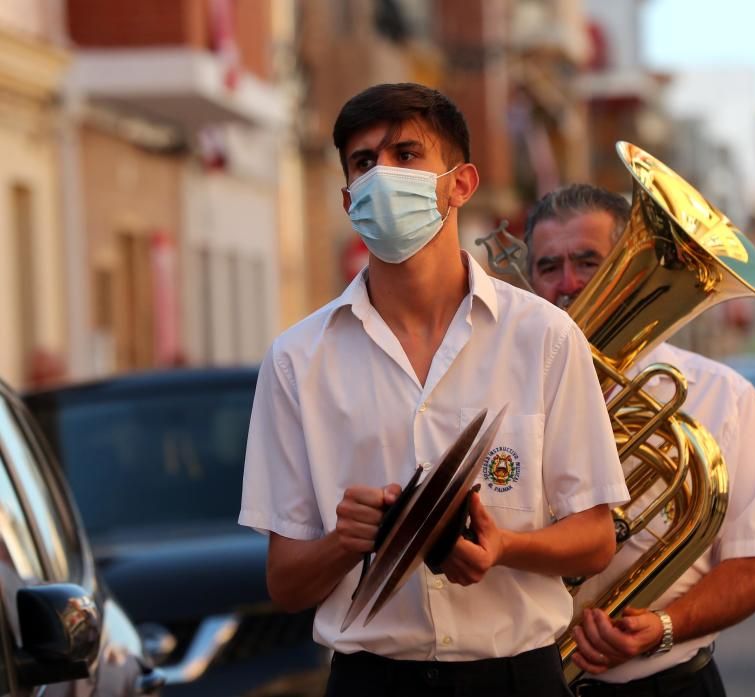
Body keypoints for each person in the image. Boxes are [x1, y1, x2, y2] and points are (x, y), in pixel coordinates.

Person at [239, 85, 629, 697]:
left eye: (407, 154)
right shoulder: (295, 361)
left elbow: (596, 538)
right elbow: (286, 584)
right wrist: (347, 541)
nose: (383, 175)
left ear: (461, 183)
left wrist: (504, 547)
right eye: (364, 163)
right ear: (348, 200)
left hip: (516, 677)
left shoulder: (545, 337)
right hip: (372, 681)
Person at [524, 184, 755, 697]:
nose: (567, 282)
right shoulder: (505, 393)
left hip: (668, 685)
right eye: (549, 267)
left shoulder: (723, 396)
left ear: (624, 274)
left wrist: (663, 626)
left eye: (588, 262)